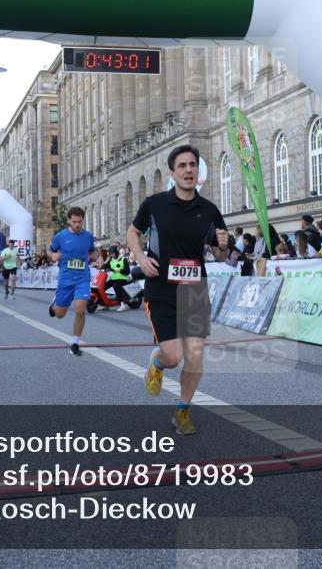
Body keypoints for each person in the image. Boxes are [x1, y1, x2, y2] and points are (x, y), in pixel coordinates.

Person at [128, 144, 230, 436]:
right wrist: (141, 258)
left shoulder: (210, 211)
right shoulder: (155, 204)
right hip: (161, 289)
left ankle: (183, 411)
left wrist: (222, 246)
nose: (188, 170)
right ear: (173, 172)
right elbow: (133, 232)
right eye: (182, 165)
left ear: (198, 171)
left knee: (195, 356)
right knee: (173, 357)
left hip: (195, 289)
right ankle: (157, 363)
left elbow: (220, 256)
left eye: (193, 165)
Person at [48, 207, 98, 355]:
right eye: (74, 222)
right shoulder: (60, 236)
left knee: (81, 308)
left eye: (80, 222)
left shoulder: (88, 236)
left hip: (82, 277)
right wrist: (53, 255)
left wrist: (97, 257)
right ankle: (55, 304)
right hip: (66, 278)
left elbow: (91, 251)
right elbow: (50, 250)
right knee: (59, 314)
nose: (77, 225)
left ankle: (75, 343)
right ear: (69, 220)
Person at [106, 245, 133, 311]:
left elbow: (127, 271)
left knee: (116, 286)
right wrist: (99, 267)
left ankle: (122, 305)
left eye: (112, 253)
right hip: (114, 279)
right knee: (104, 286)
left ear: (116, 252)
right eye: (110, 254)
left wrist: (120, 270)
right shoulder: (111, 260)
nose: (111, 255)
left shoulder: (124, 259)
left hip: (123, 279)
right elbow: (105, 266)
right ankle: (105, 304)